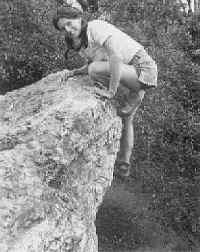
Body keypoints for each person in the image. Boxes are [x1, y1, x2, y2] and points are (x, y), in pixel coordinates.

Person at [53, 7, 158, 178]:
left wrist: (111, 91)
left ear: (79, 17)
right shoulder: (85, 42)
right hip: (128, 73)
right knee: (126, 119)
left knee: (94, 70)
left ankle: (135, 94)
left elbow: (115, 58)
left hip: (142, 69)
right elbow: (96, 64)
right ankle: (124, 164)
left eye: (69, 24)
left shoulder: (95, 27)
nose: (68, 30)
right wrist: (74, 72)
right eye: (63, 28)